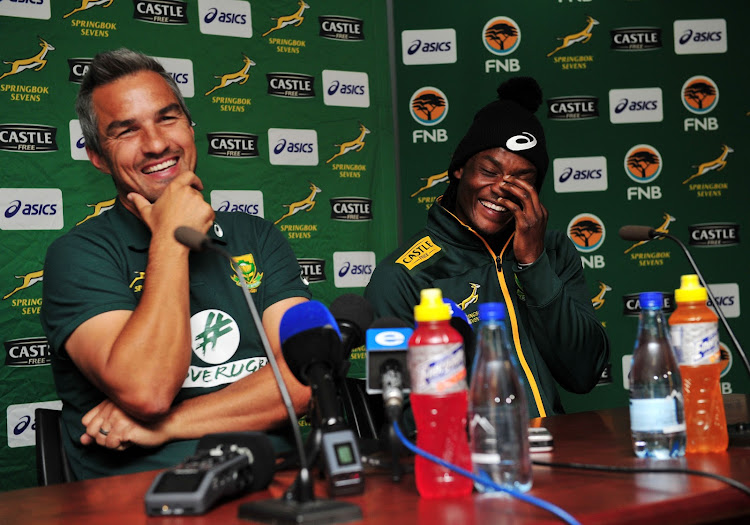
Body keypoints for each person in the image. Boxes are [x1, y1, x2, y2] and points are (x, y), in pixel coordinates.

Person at [40, 48, 311, 480]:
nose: (157, 144)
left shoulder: (256, 237)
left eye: (168, 118)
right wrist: (169, 239)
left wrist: (163, 427)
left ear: (189, 126)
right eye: (126, 131)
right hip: (140, 496)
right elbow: (147, 391)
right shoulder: (78, 256)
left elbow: (304, 379)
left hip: (273, 482)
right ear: (96, 155)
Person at [365, 77, 609, 418]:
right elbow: (395, 417)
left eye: (522, 179)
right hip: (467, 463)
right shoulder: (403, 275)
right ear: (459, 169)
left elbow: (584, 373)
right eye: (489, 171)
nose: (502, 189)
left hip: (553, 454)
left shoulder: (552, 252)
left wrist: (533, 263)